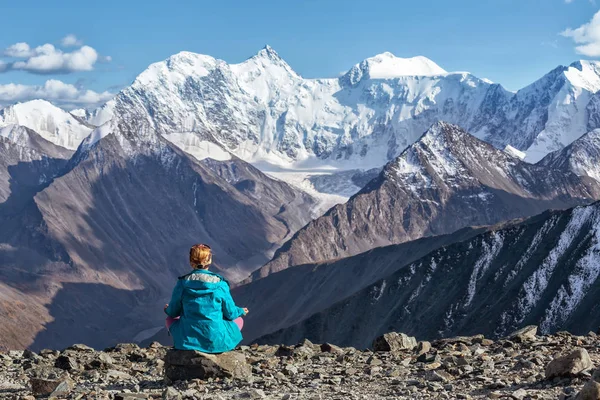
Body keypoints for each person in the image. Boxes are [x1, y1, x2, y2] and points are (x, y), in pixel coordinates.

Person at [164, 244, 248, 353]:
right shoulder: (220, 284)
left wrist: (167, 309)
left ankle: (186, 343)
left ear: (191, 261)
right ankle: (220, 346)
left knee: (169, 320)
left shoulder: (182, 284)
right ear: (209, 261)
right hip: (216, 341)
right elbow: (230, 313)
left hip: (188, 340)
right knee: (238, 319)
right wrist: (241, 311)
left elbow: (173, 313)